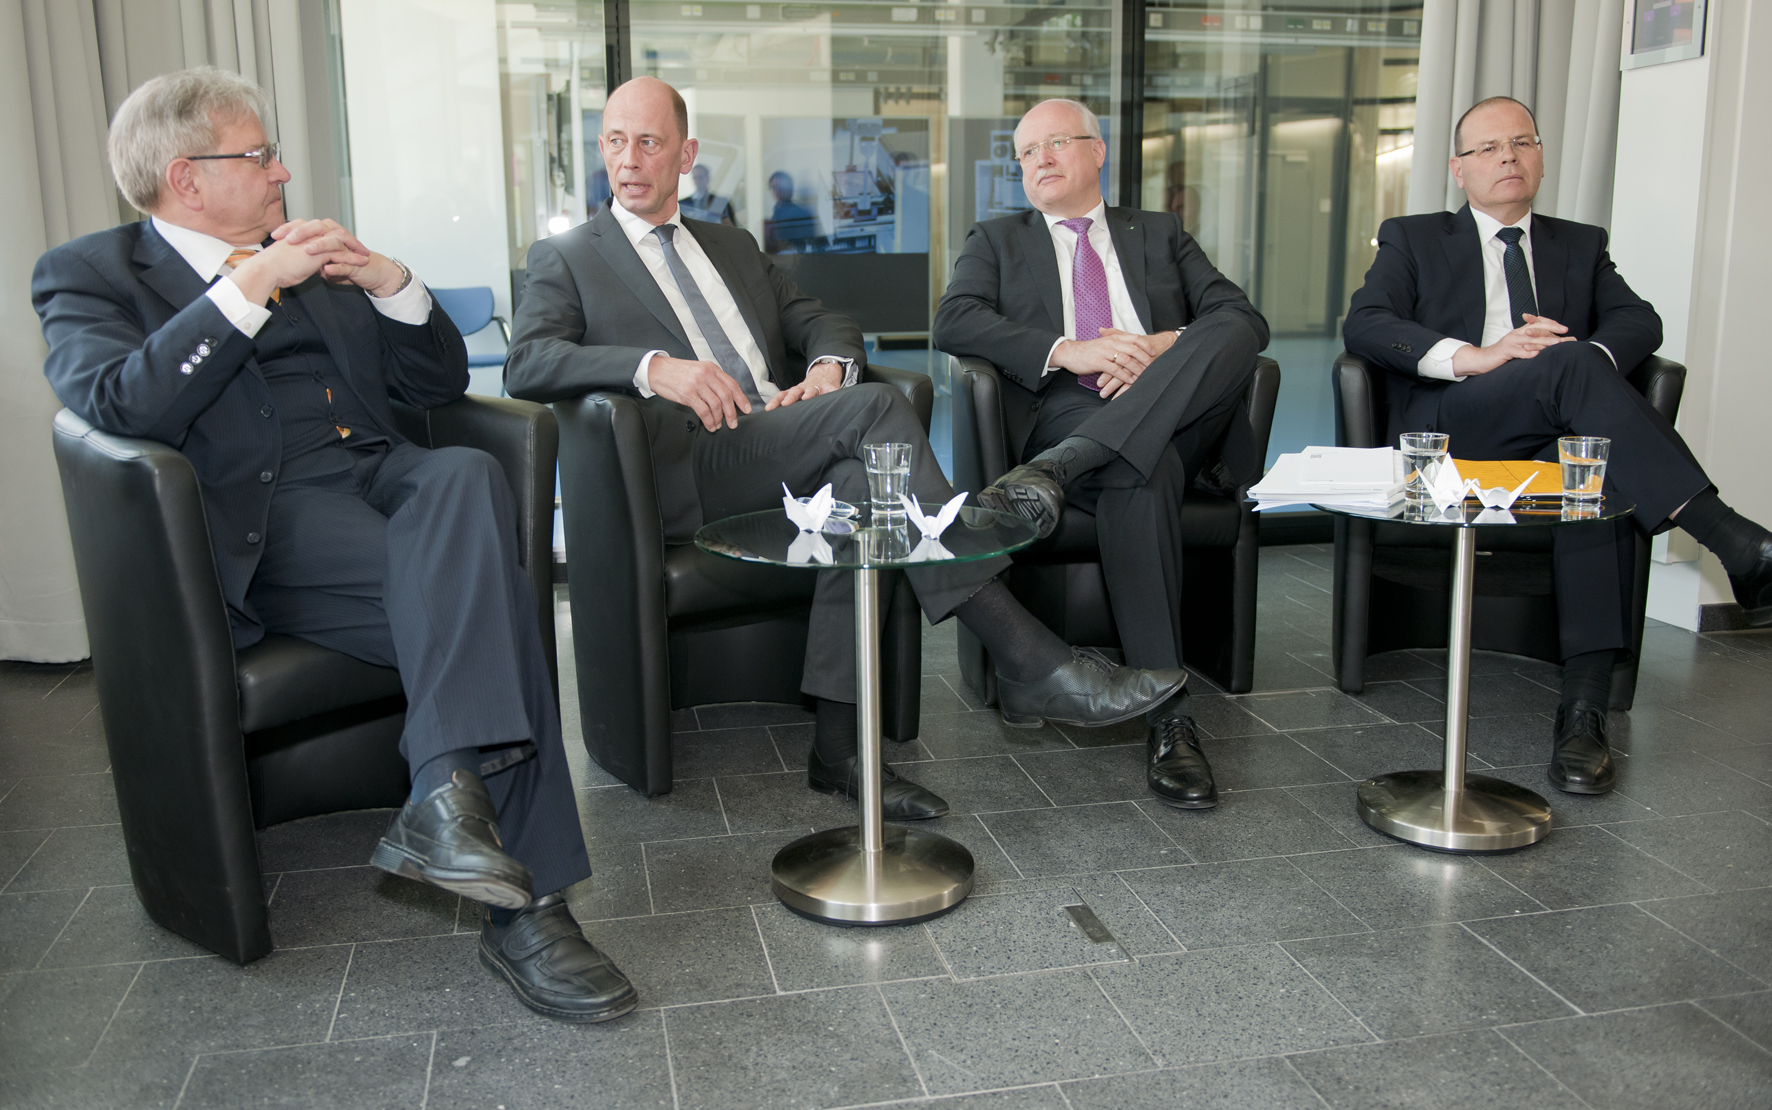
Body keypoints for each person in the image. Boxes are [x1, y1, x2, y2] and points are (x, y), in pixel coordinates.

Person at [33, 67, 634, 1023]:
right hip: (265, 524)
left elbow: (436, 383)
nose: (280, 173)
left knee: (466, 474)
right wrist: (250, 288)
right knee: (492, 598)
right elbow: (116, 403)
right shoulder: (93, 274)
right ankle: (534, 912)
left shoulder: (309, 251)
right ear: (186, 178)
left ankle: (443, 799)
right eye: (259, 154)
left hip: (384, 475)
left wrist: (391, 283)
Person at [504, 77, 1191, 819]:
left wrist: (830, 366)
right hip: (690, 465)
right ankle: (1026, 656)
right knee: (877, 413)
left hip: (780, 441)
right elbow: (529, 360)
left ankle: (840, 752)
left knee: (868, 488)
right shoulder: (569, 256)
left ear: (686, 154)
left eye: (648, 141)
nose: (628, 159)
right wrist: (650, 367)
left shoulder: (730, 245)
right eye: (614, 140)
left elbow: (824, 320)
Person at [1344, 95, 1772, 795]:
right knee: (1574, 373)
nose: (1508, 156)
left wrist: (1583, 364)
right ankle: (1731, 538)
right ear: (1458, 169)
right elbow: (1365, 325)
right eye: (1488, 147)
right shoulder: (1414, 237)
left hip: (1557, 432)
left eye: (1522, 142)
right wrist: (1476, 356)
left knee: (1595, 469)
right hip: (1457, 424)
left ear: (1541, 157)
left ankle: (1583, 711)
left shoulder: (1579, 243)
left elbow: (1641, 320)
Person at [933, 98, 1270, 812]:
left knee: (1233, 328)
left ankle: (1061, 468)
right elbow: (952, 319)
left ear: (1098, 151)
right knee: (1138, 474)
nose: (1041, 160)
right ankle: (1170, 715)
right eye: (1027, 152)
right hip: (1073, 402)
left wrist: (1155, 351)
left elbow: (1239, 319)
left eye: (1057, 143)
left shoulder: (1159, 232)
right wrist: (1073, 350)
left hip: (1177, 411)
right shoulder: (997, 239)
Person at [763, 170, 823, 252]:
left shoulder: (802, 214)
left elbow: (811, 245)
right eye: (773, 187)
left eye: (780, 186)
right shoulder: (775, 214)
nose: (777, 190)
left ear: (790, 188)